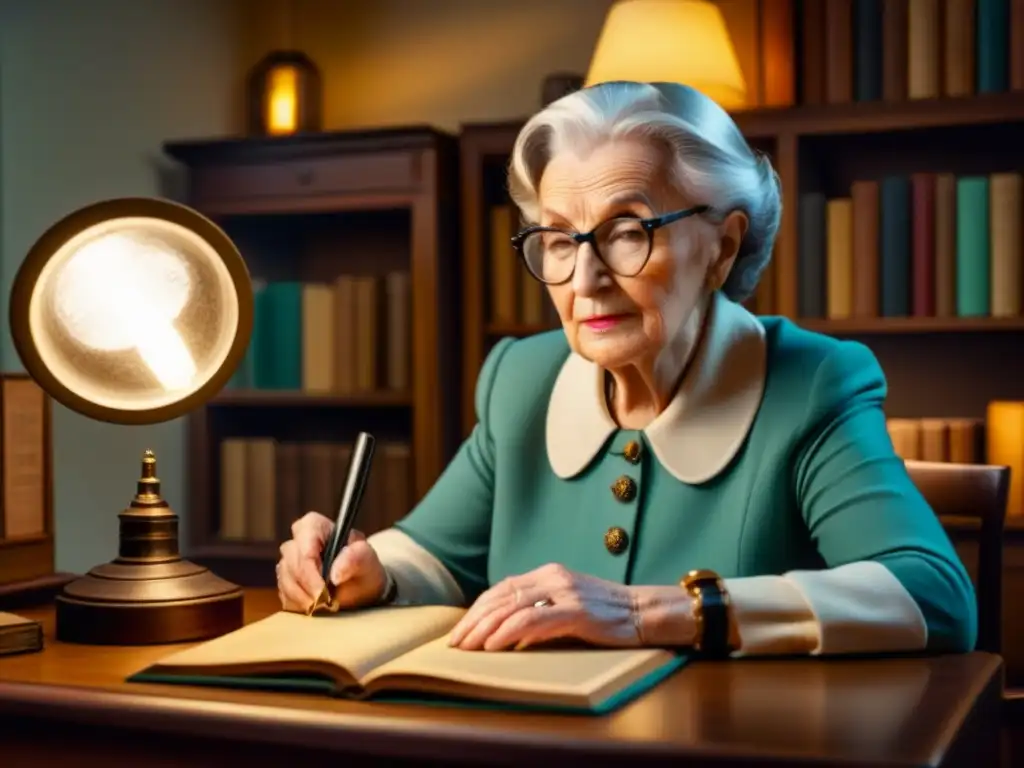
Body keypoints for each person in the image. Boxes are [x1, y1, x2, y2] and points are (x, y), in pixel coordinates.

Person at [276, 80, 976, 657]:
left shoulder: (813, 381)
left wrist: (652, 611)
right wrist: (369, 572)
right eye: (557, 239)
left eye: (626, 232)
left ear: (723, 247)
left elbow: (933, 595)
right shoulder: (521, 376)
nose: (585, 279)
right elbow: (437, 553)